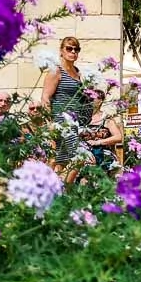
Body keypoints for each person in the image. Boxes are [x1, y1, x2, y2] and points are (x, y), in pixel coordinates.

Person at [41, 36, 92, 178]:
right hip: (59, 121)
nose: (73, 52)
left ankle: (57, 190)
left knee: (62, 160)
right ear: (61, 51)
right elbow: (45, 97)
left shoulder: (78, 73)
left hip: (73, 123)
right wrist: (49, 123)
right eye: (69, 48)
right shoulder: (56, 71)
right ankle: (60, 189)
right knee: (74, 157)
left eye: (76, 49)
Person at [81, 99, 123, 173]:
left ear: (100, 101)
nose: (90, 100)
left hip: (102, 154)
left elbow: (118, 137)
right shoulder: (82, 118)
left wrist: (98, 142)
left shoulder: (106, 118)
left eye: (94, 98)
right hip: (83, 153)